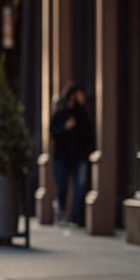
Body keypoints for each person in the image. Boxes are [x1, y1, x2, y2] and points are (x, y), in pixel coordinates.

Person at [50, 83, 94, 226]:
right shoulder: (60, 111)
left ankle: (75, 216)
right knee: (62, 185)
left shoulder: (82, 113)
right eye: (78, 94)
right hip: (62, 156)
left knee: (79, 186)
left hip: (79, 156)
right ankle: (61, 212)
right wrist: (65, 127)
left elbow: (89, 134)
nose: (81, 98)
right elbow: (52, 132)